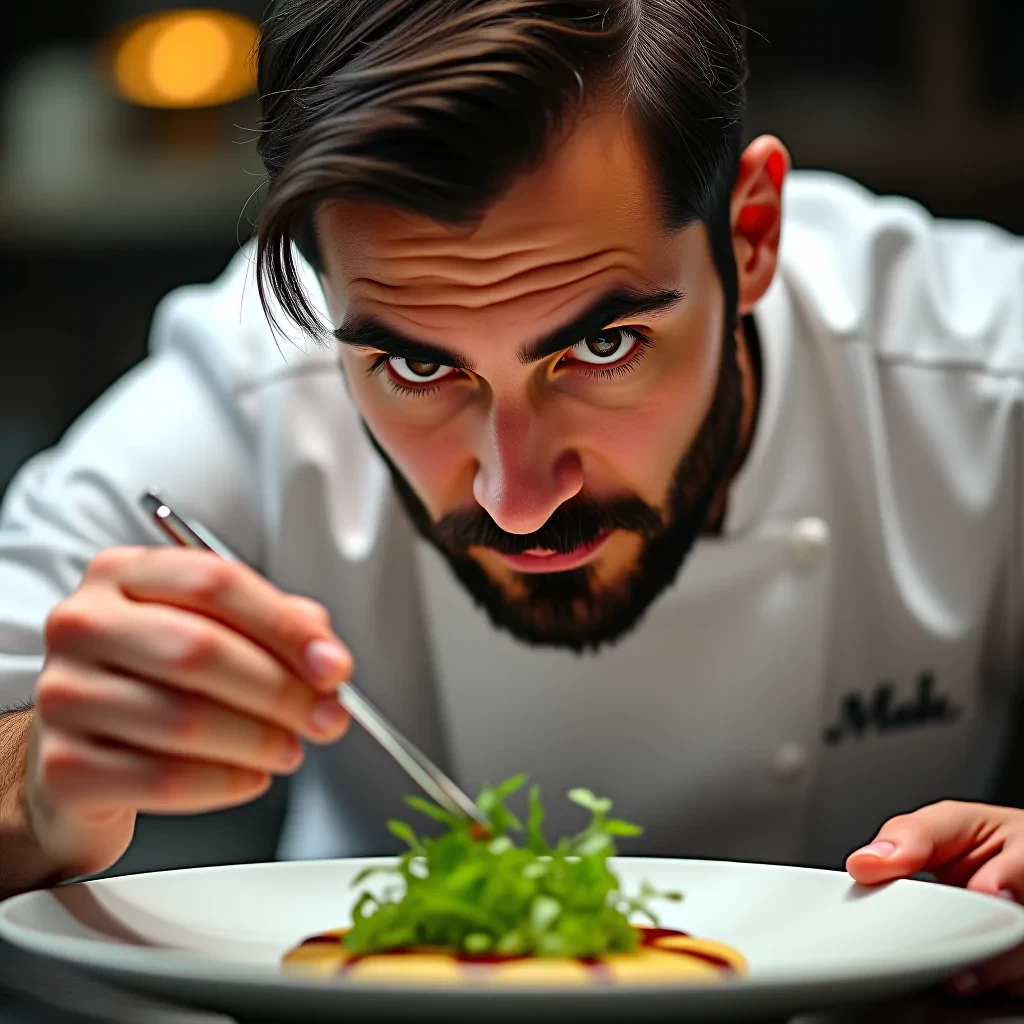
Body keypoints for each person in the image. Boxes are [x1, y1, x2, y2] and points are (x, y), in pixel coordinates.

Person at [0, 0, 1022, 997]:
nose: (517, 501)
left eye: (603, 346)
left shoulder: (985, 371)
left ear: (749, 235)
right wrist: (38, 780)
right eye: (417, 367)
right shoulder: (254, 387)